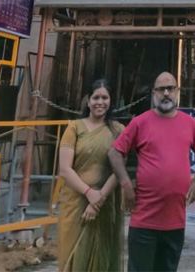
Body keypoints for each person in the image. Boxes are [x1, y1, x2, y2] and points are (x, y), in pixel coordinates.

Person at [108, 71, 195, 272]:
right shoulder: (140, 122)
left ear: (177, 92)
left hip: (175, 222)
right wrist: (126, 184)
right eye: (161, 89)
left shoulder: (189, 124)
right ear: (153, 94)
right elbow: (114, 153)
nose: (165, 93)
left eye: (170, 88)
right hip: (144, 221)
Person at [57, 78, 124, 272]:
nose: (100, 102)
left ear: (110, 101)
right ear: (88, 101)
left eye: (105, 97)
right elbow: (65, 169)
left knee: (103, 258)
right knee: (72, 256)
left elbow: (118, 170)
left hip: (104, 203)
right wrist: (89, 193)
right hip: (74, 204)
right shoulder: (75, 128)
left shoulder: (119, 130)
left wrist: (97, 200)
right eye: (96, 97)